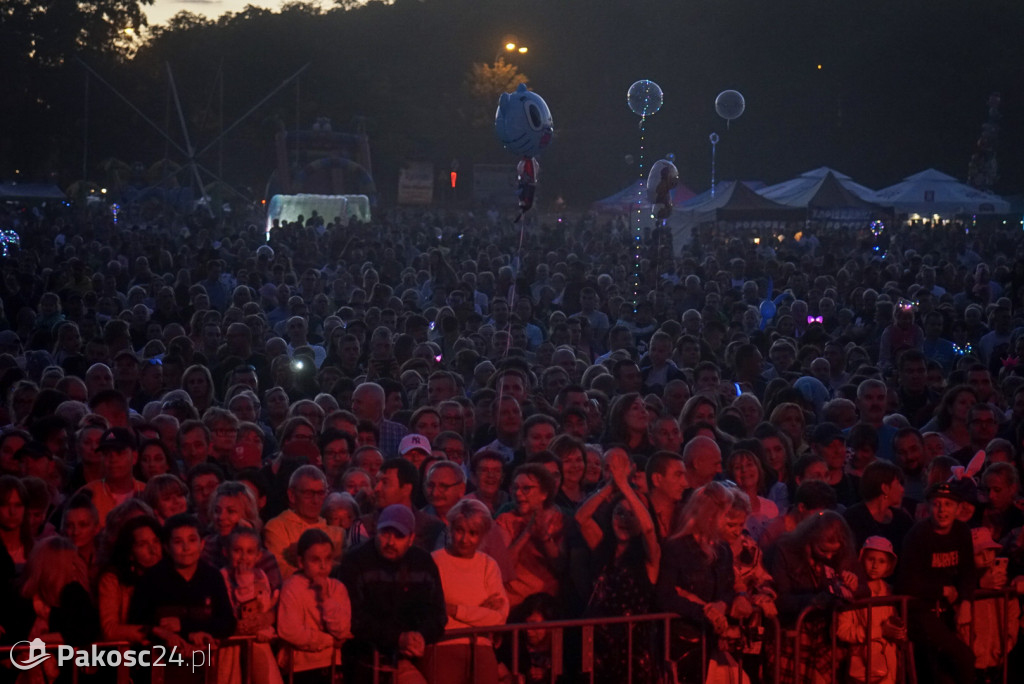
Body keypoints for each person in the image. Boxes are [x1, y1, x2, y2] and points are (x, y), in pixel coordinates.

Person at [334, 504, 447, 684]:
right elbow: (352, 616)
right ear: (375, 531)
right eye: (385, 533)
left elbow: (437, 613)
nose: (390, 542)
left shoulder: (424, 563)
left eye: (399, 536)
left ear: (411, 538)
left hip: (409, 657)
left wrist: (420, 636)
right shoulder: (356, 561)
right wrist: (398, 638)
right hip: (363, 659)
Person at [576, 447, 660, 683]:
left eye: (631, 515)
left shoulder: (649, 557)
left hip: (634, 648)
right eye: (619, 513)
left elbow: (649, 528)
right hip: (598, 645)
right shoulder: (603, 547)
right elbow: (581, 518)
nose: (624, 520)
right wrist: (612, 486)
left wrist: (625, 487)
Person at [897, 482, 976, 684]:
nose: (942, 510)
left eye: (948, 504)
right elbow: (906, 582)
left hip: (948, 609)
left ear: (958, 508)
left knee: (945, 670)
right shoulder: (917, 535)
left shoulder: (961, 532)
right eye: (937, 504)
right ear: (929, 507)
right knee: (961, 657)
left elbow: (968, 570)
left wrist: (966, 601)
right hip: (920, 610)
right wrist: (943, 590)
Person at [425, 499, 509, 684]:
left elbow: (499, 618)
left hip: (481, 648)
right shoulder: (434, 562)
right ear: (450, 528)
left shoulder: (488, 565)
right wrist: (480, 612)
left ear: (483, 535)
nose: (464, 539)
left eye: (473, 533)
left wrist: (455, 610)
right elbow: (433, 612)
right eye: (459, 530)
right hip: (442, 647)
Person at [277, 528, 350, 684]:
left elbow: (342, 630)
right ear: (301, 562)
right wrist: (328, 641)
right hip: (299, 667)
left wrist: (325, 598)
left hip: (331, 663)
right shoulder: (292, 587)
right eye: (315, 560)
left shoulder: (337, 588)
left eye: (328, 559)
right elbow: (289, 630)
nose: (323, 566)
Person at [836, 536, 906, 684]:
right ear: (862, 559)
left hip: (888, 666)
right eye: (871, 559)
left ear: (889, 565)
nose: (875, 565)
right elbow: (842, 630)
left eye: (882, 561)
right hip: (862, 667)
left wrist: (898, 632)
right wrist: (879, 631)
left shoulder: (890, 592)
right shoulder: (852, 591)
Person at [497, 463, 567, 607]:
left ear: (544, 493)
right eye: (515, 488)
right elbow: (503, 568)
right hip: (514, 604)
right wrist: (527, 532)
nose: (518, 493)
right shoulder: (505, 520)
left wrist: (544, 537)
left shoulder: (560, 521)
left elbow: (561, 567)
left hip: (547, 603)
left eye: (526, 489)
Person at [959, 527, 1019, 683]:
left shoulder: (1004, 585)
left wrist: (1007, 644)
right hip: (973, 660)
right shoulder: (963, 587)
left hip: (998, 657)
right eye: (979, 553)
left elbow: (1013, 616)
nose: (986, 558)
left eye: (990, 551)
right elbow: (961, 627)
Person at [263, 465, 343, 578]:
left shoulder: (338, 534)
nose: (315, 500)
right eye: (308, 494)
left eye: (320, 493)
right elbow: (279, 570)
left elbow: (345, 571)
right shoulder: (277, 527)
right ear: (292, 495)